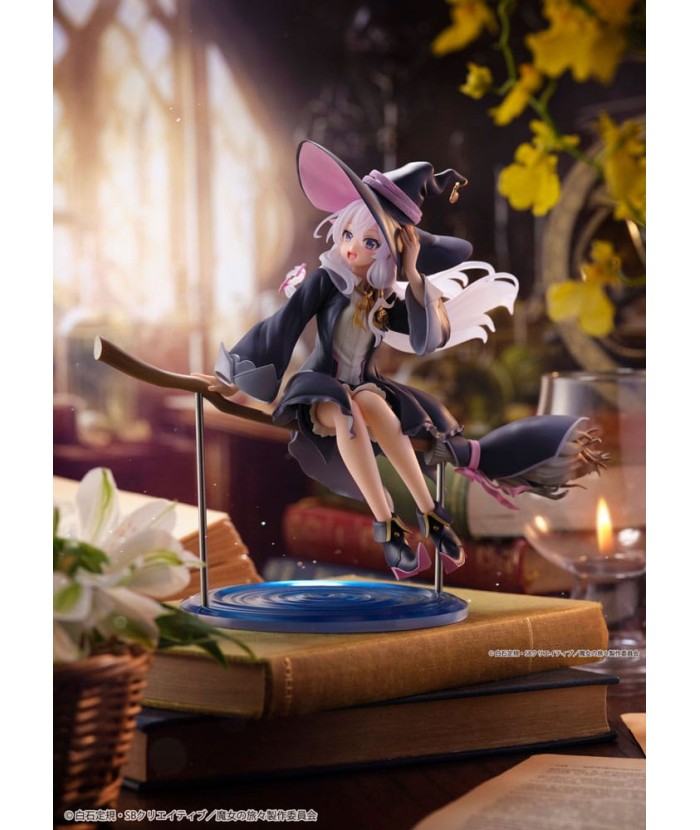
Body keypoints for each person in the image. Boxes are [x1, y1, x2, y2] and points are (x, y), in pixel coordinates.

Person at [195, 141, 605, 580]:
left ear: (390, 252)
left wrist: (412, 273)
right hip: (318, 389)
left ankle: (430, 514)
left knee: (381, 413)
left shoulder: (384, 297)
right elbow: (284, 323)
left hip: (365, 387)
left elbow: (429, 339)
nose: (353, 248)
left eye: (370, 242)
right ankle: (387, 524)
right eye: (348, 235)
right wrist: (236, 375)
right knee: (351, 416)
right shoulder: (326, 282)